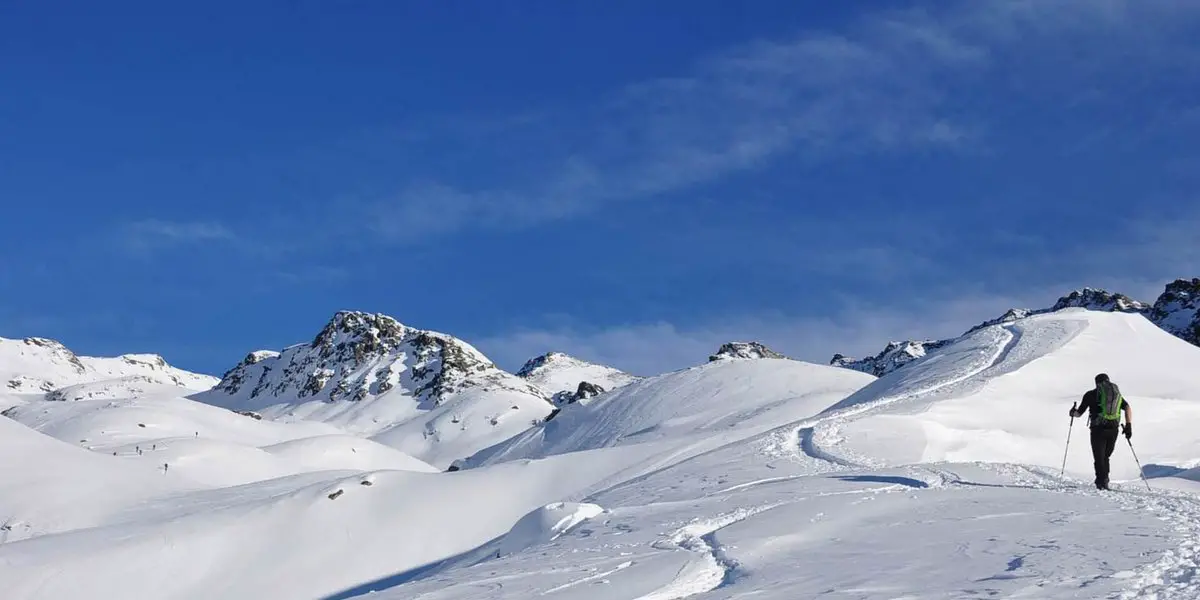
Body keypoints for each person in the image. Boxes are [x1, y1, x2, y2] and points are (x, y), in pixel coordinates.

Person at [1069, 373, 1133, 490]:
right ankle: (1105, 479)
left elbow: (1078, 413)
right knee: (1106, 456)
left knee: (1098, 457)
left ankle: (1101, 482)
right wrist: (1128, 425)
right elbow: (1127, 407)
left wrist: (1072, 412)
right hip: (1113, 429)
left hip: (1098, 430)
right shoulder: (1116, 395)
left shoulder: (1090, 395)